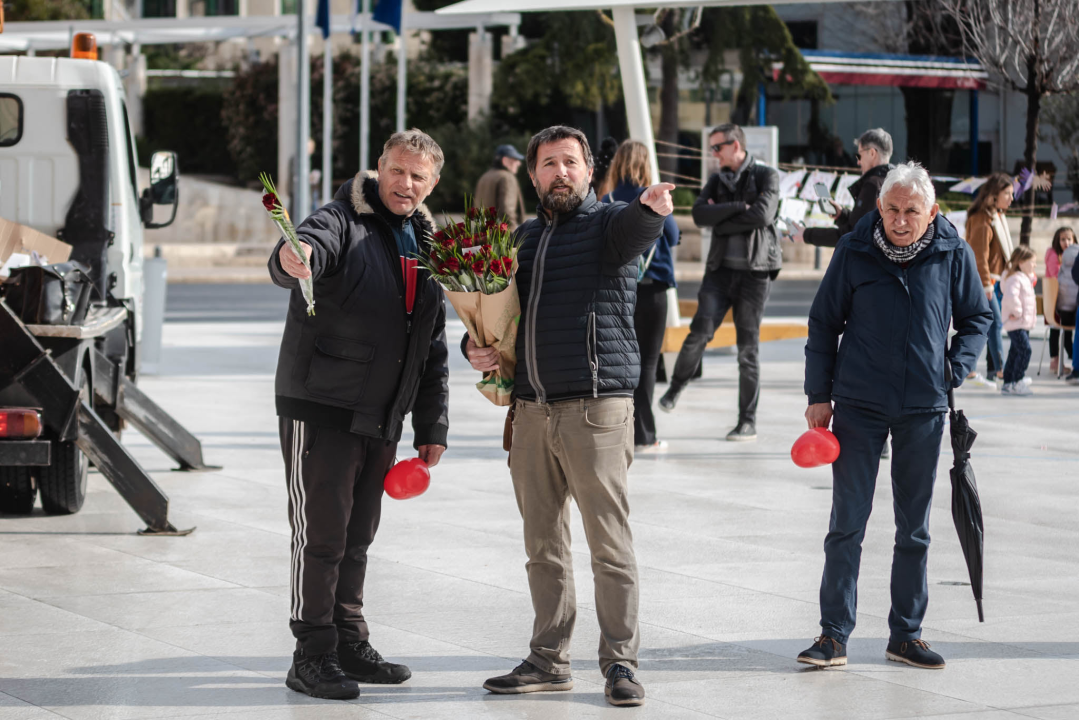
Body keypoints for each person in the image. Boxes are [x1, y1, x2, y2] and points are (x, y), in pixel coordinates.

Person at [464, 125, 674, 708]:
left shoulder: (608, 225)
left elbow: (636, 231)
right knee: (543, 547)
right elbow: (499, 319)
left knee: (610, 544)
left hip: (596, 410)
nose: (560, 172)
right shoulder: (523, 239)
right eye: (549, 163)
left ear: (588, 170)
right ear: (532, 175)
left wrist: (651, 209)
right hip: (531, 412)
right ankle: (548, 658)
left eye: (570, 162)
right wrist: (473, 348)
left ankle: (621, 663)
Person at [268, 129, 450, 700]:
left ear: (433, 182)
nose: (407, 184)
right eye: (398, 171)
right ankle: (312, 651)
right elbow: (303, 248)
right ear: (380, 168)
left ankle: (349, 638)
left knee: (357, 535)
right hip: (321, 404)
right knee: (320, 534)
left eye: (419, 176)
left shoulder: (426, 238)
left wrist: (432, 425)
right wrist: (292, 257)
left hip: (381, 414)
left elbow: (433, 345)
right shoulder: (341, 216)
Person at [799, 163, 992, 671]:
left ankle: (905, 634)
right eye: (891, 209)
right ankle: (833, 634)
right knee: (847, 523)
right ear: (878, 207)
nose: (900, 220)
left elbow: (977, 319)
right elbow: (824, 323)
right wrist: (819, 393)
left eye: (911, 211)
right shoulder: (853, 250)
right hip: (858, 404)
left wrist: (956, 367)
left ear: (931, 212)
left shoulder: (953, 252)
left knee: (915, 529)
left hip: (924, 407)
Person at [657, 122, 781, 442]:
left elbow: (764, 216)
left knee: (747, 350)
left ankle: (747, 421)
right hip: (719, 273)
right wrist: (740, 207)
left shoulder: (766, 176)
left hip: (755, 274)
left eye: (717, 147)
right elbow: (700, 216)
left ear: (735, 145)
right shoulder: (716, 180)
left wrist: (722, 220)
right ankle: (676, 386)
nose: (713, 154)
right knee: (699, 331)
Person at [602, 140, 681, 451]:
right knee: (648, 362)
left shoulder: (606, 199)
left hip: (618, 291)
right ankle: (644, 434)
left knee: (619, 362)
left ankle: (618, 431)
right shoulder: (655, 195)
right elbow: (672, 235)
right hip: (653, 288)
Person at [798, 128, 894, 248]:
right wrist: (842, 214)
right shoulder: (894, 182)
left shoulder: (873, 185)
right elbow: (866, 225)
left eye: (859, 155)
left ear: (872, 153)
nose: (858, 162)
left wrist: (806, 234)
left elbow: (854, 235)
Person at [964, 172, 1016, 386]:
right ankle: (990, 370)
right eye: (1008, 194)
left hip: (996, 281)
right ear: (994, 195)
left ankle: (994, 370)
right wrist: (986, 285)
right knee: (989, 324)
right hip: (985, 282)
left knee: (989, 325)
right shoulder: (982, 220)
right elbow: (978, 256)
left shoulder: (997, 217)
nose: (1012, 198)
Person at [1000, 246, 1038, 396]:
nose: (1035, 265)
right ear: (1021, 262)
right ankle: (1017, 380)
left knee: (1015, 351)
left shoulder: (1022, 277)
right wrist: (1017, 312)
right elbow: (1010, 296)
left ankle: (1008, 382)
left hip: (1021, 323)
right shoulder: (1015, 278)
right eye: (1032, 262)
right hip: (1016, 322)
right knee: (1025, 350)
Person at [1045, 227, 1076, 374]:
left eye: (1069, 239)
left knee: (1064, 331)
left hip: (1063, 301)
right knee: (1059, 330)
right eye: (1063, 239)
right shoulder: (1053, 254)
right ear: (1057, 240)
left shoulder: (1073, 255)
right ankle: (1056, 360)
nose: (1066, 242)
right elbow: (1055, 276)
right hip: (1055, 301)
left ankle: (1064, 359)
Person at [475, 144, 528, 229]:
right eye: (515, 160)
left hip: (483, 234)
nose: (519, 163)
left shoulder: (484, 177)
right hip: (502, 236)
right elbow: (507, 211)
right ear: (505, 161)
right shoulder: (507, 178)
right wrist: (515, 233)